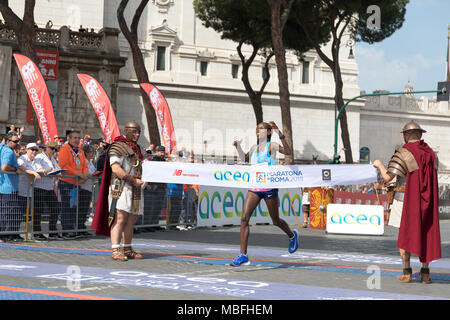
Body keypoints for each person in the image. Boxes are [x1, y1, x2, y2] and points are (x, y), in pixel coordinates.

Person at [373, 121, 441, 284]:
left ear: (405, 136)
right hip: (428, 202)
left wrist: (379, 165)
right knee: (426, 234)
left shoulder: (404, 152)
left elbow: (388, 177)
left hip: (406, 201)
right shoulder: (432, 154)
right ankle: (425, 274)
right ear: (420, 135)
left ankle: (407, 272)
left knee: (405, 236)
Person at [231, 121, 298, 266]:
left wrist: (279, 133)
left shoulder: (272, 146)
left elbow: (288, 152)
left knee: (275, 220)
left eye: (261, 129)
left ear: (268, 132)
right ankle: (243, 255)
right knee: (244, 218)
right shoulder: (254, 147)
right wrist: (238, 147)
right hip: (255, 187)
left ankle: (292, 235)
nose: (257, 131)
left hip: (269, 187)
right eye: (256, 129)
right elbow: (245, 159)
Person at [92, 121, 145, 261]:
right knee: (120, 219)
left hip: (136, 188)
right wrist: (133, 180)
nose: (137, 134)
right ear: (126, 131)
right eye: (134, 131)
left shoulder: (137, 148)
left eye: (138, 132)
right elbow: (115, 168)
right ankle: (115, 250)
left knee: (131, 220)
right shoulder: (117, 146)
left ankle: (127, 248)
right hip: (120, 187)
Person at [57, 130, 89, 239]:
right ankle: (67, 230)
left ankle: (72, 228)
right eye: (74, 138)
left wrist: (84, 175)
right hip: (66, 183)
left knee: (74, 207)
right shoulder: (64, 149)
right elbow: (64, 166)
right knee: (67, 207)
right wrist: (79, 174)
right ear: (69, 139)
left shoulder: (80, 151)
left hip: (77, 183)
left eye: (78, 138)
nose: (77, 140)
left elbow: (85, 165)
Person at [34, 140, 63, 240]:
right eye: (52, 149)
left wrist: (57, 172)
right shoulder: (39, 156)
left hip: (49, 187)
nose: (53, 151)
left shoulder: (53, 159)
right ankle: (36, 232)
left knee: (55, 208)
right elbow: (38, 168)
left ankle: (52, 231)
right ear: (47, 148)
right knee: (38, 210)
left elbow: (58, 169)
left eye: (55, 149)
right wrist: (49, 172)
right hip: (39, 186)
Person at [18, 143, 46, 241]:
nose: (34, 152)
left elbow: (40, 169)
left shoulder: (35, 161)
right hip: (21, 190)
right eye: (32, 150)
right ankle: (14, 233)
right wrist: (33, 172)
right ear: (27, 150)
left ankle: (28, 234)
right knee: (18, 214)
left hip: (30, 192)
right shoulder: (22, 158)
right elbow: (22, 168)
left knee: (30, 214)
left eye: (36, 150)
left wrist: (42, 170)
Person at [0, 132, 22, 242]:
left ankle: (6, 233)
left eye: (18, 141)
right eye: (15, 141)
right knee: (8, 212)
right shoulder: (8, 151)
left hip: (5, 185)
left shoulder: (2, 148)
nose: (17, 143)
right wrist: (15, 169)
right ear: (8, 141)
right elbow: (4, 167)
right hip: (9, 187)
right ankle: (4, 234)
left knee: (6, 211)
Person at [143, 145, 167, 231]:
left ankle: (154, 224)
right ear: (156, 152)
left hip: (161, 187)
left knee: (158, 207)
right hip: (153, 188)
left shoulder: (163, 161)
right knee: (151, 208)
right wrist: (154, 184)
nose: (162, 154)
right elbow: (153, 173)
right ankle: (147, 225)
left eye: (163, 152)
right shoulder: (154, 161)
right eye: (161, 152)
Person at [78, 144, 99, 237]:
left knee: (85, 209)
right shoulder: (84, 162)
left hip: (89, 187)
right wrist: (92, 175)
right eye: (90, 152)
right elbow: (86, 173)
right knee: (81, 209)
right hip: (83, 187)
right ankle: (79, 228)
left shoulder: (90, 162)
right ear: (86, 153)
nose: (92, 153)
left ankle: (82, 227)